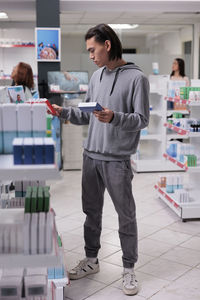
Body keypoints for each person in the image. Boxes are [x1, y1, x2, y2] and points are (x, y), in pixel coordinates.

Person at [53, 24, 149, 296]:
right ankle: (92, 260)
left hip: (117, 160)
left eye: (93, 50)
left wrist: (115, 117)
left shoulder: (137, 78)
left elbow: (142, 120)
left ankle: (129, 269)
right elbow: (86, 113)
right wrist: (64, 112)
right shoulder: (96, 77)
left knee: (125, 216)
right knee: (91, 213)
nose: (91, 56)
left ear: (107, 45)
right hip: (91, 156)